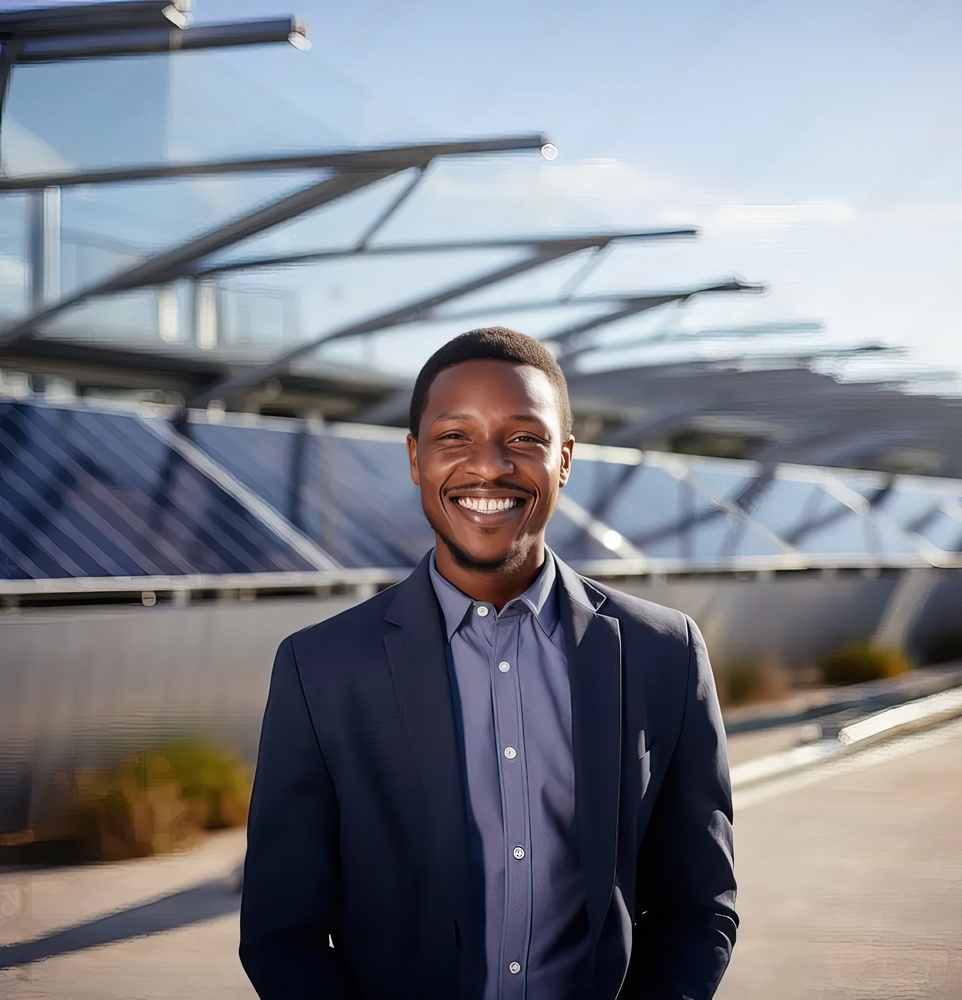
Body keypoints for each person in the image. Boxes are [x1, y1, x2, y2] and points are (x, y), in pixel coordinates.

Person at [240, 328, 737, 1000]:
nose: (489, 466)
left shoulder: (663, 654)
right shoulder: (320, 670)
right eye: (455, 437)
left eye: (524, 439)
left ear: (563, 460)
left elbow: (698, 905)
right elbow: (281, 932)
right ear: (415, 458)